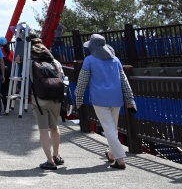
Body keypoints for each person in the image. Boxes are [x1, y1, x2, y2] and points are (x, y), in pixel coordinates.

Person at [75, 34, 137, 170]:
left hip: (99, 98)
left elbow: (82, 81)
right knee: (112, 128)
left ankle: (120, 159)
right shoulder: (115, 60)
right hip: (116, 98)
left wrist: (78, 98)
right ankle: (111, 154)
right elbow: (124, 81)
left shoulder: (89, 60)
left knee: (108, 128)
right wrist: (130, 98)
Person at [28, 38, 66, 170]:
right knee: (54, 127)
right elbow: (61, 78)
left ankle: (50, 161)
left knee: (43, 130)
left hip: (40, 100)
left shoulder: (32, 64)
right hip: (55, 98)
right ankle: (57, 155)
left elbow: (29, 80)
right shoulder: (56, 62)